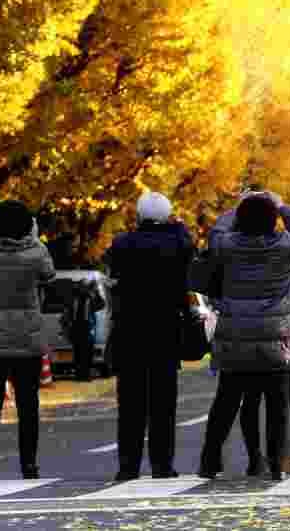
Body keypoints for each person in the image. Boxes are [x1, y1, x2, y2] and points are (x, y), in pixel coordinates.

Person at [197, 193, 290, 481]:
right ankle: (278, 462)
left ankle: (210, 460)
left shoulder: (227, 247)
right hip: (276, 338)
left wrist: (236, 207)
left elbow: (218, 230)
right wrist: (281, 204)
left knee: (226, 400)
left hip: (235, 337)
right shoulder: (286, 247)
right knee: (278, 402)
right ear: (273, 219)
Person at [105, 191, 195, 480]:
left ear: (139, 216)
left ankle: (128, 466)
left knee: (130, 403)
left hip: (129, 331)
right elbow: (187, 247)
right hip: (165, 330)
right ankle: (162, 465)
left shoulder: (122, 244)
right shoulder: (178, 244)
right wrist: (177, 225)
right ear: (167, 216)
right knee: (163, 403)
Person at [0, 201, 56, 481]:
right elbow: (49, 275)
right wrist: (35, 240)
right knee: (28, 404)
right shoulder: (37, 254)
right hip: (26, 338)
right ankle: (29, 464)